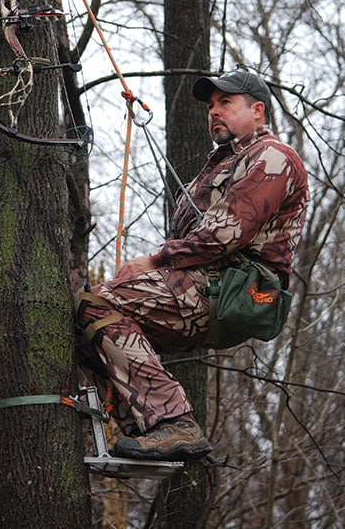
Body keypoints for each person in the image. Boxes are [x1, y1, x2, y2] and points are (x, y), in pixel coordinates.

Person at [77, 69, 310, 461]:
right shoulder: (219, 165)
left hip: (234, 290)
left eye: (225, 102)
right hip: (208, 288)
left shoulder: (272, 157)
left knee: (96, 304)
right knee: (85, 329)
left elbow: (227, 233)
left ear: (258, 111)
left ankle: (172, 423)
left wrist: (154, 260)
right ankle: (148, 432)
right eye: (210, 106)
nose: (214, 112)